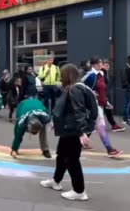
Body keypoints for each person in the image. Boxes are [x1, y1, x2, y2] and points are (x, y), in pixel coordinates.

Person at [40, 64, 92, 201]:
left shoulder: (75, 90)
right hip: (69, 128)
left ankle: (79, 191)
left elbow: (78, 110)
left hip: (74, 129)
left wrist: (81, 132)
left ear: (67, 76)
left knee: (72, 159)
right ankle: (56, 180)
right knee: (62, 154)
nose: (60, 78)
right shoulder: (77, 88)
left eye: (62, 75)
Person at [82, 57, 123, 157]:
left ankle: (81, 142)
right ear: (95, 64)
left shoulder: (101, 74)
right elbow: (80, 86)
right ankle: (109, 149)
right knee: (100, 126)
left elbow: (102, 91)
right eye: (100, 62)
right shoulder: (89, 76)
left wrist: (106, 102)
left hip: (98, 104)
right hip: (91, 105)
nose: (102, 64)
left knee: (91, 125)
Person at [101, 59, 126, 132]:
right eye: (106, 65)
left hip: (105, 95)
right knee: (104, 111)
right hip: (103, 95)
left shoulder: (105, 73)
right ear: (102, 65)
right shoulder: (102, 73)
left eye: (108, 65)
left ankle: (114, 125)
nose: (108, 66)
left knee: (107, 111)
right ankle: (113, 125)